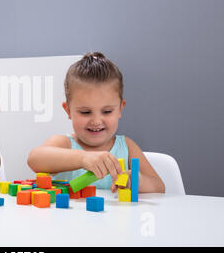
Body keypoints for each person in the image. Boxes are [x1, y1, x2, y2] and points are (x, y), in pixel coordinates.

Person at [27, 52, 165, 193]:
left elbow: (159, 187)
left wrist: (135, 181)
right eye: (85, 112)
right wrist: (83, 158)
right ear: (68, 110)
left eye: (107, 112)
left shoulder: (127, 147)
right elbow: (34, 159)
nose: (96, 121)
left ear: (120, 109)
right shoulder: (65, 144)